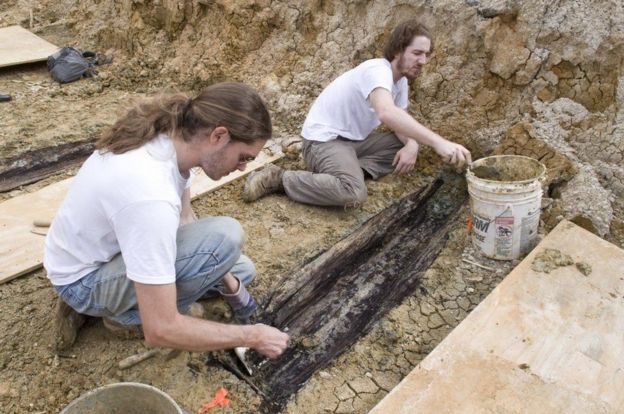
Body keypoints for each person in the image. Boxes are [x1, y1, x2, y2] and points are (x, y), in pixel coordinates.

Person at [44, 82, 289, 358]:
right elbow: (160, 329)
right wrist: (252, 335)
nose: (243, 167)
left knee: (240, 269)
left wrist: (229, 282)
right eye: (243, 157)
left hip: (110, 248)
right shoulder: (150, 194)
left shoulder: (177, 140)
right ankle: (122, 317)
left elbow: (185, 221)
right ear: (219, 136)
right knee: (225, 237)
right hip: (83, 279)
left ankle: (135, 299)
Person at [243, 19, 472, 207]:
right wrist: (438, 142)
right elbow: (386, 112)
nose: (423, 61)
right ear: (398, 51)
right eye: (417, 53)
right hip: (322, 143)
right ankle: (279, 178)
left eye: (427, 55)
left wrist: (412, 145)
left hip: (352, 144)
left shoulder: (400, 82)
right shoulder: (377, 70)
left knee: (404, 144)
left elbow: (399, 123)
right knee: (352, 194)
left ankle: (344, 172)